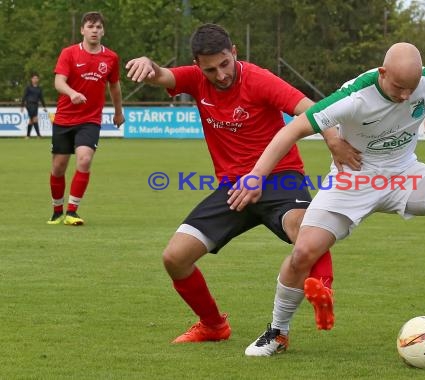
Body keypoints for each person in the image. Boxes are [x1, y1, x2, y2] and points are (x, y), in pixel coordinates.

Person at [228, 42, 425, 356]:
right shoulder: (354, 97)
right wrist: (256, 176)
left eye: (411, 89)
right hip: (353, 178)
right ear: (382, 73)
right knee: (303, 252)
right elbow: (290, 130)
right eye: (398, 87)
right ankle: (278, 333)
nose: (405, 96)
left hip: (405, 173)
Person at [125, 23, 359, 344]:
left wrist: (332, 139)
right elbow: (161, 75)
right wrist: (148, 65)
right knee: (175, 258)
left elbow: (310, 109)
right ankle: (213, 325)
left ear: (234, 52)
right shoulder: (195, 80)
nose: (220, 75)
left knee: (304, 228)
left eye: (225, 64)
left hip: (280, 178)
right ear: (197, 66)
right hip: (233, 190)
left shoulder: (258, 79)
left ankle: (321, 289)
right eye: (210, 70)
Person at [47, 11, 124, 226]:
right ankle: (57, 210)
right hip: (64, 118)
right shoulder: (69, 53)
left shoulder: (111, 57)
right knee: (58, 167)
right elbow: (58, 82)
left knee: (85, 159)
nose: (95, 31)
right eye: (90, 27)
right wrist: (72, 93)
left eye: (98, 27)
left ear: (103, 31)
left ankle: (72, 211)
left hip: (90, 120)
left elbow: (115, 86)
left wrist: (118, 112)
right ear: (82, 30)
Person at [21, 73, 48, 138]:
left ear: (38, 79)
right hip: (29, 105)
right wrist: (22, 106)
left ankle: (28, 136)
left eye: (36, 78)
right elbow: (24, 96)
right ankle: (38, 135)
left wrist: (44, 106)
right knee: (35, 119)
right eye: (34, 78)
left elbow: (41, 98)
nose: (35, 79)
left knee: (31, 120)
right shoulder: (28, 87)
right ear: (31, 79)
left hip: (36, 105)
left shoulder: (39, 88)